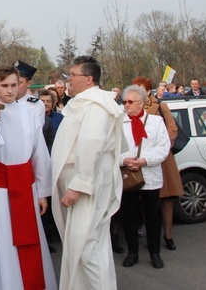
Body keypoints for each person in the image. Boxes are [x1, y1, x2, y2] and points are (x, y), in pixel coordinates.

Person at [0, 65, 57, 290]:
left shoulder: (29, 112)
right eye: (4, 86)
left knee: (30, 241)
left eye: (13, 85)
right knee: (2, 242)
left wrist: (43, 192)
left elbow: (39, 152)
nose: (10, 91)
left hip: (25, 187)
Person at [51, 56, 125, 290]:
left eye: (73, 75)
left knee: (85, 246)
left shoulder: (95, 106)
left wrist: (78, 185)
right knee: (86, 245)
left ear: (89, 79)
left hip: (86, 184)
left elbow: (91, 145)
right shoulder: (84, 103)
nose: (68, 79)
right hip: (79, 181)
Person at [119, 85, 170, 269]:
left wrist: (144, 160)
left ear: (142, 103)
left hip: (150, 175)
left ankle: (154, 253)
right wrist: (124, 159)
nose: (127, 105)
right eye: (124, 102)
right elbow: (111, 149)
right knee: (129, 216)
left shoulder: (156, 122)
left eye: (130, 102)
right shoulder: (119, 123)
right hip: (128, 176)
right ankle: (132, 252)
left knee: (152, 216)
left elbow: (163, 147)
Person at [132, 76, 182, 251]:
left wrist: (159, 145)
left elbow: (172, 129)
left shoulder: (160, 106)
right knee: (143, 198)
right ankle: (146, 230)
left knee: (166, 198)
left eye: (140, 88)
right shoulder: (130, 107)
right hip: (139, 159)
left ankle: (168, 235)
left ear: (148, 91)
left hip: (162, 159)